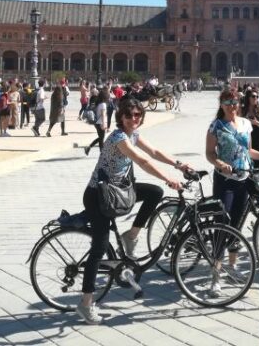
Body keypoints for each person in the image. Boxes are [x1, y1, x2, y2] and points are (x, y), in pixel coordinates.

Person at [77, 98, 189, 325]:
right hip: (99, 196)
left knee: (154, 193)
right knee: (98, 249)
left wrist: (179, 164)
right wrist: (169, 179)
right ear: (121, 118)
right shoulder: (119, 138)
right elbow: (143, 161)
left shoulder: (133, 135)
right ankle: (86, 303)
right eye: (129, 115)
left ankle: (131, 235)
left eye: (138, 115)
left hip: (118, 191)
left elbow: (154, 151)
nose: (134, 119)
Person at [206, 87, 259, 295]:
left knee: (236, 224)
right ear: (222, 105)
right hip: (225, 180)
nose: (232, 106)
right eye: (228, 103)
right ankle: (215, 277)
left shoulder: (245, 123)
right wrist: (220, 164)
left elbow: (248, 151)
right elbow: (209, 153)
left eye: (235, 102)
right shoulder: (216, 126)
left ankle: (232, 268)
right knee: (222, 225)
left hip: (245, 179)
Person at [85, 88, 109, 155]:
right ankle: (102, 153)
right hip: (101, 122)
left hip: (97, 123)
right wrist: (104, 123)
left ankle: (90, 148)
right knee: (101, 138)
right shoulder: (103, 104)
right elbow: (103, 115)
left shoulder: (99, 104)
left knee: (100, 138)